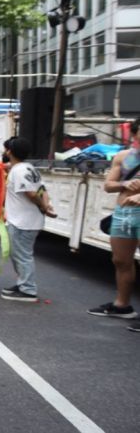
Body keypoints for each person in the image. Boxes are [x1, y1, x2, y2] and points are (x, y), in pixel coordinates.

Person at [89, 117, 140, 331]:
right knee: (120, 260)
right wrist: (125, 183)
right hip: (123, 213)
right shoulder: (123, 157)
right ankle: (122, 305)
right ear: (135, 133)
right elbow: (108, 185)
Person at [1, 137, 56, 302]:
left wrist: (44, 207)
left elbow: (32, 193)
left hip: (23, 222)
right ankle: (23, 283)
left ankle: (28, 290)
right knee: (17, 254)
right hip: (24, 220)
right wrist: (46, 206)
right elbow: (42, 189)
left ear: (10, 151)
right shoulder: (28, 168)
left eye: (6, 149)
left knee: (23, 255)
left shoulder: (19, 171)